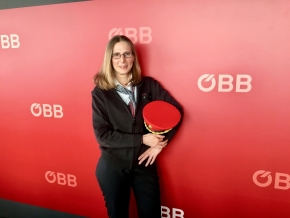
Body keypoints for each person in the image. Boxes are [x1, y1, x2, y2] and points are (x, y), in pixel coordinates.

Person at [91, 35, 183, 218]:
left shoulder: (149, 85)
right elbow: (103, 135)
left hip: (144, 166)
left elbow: (176, 112)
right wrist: (142, 139)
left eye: (127, 54)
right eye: (116, 55)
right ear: (109, 59)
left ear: (134, 57)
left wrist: (160, 144)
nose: (122, 60)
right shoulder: (101, 92)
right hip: (113, 167)